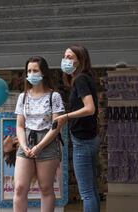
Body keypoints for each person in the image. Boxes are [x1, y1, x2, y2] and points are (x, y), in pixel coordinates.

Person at [13, 56, 65, 212]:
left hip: (47, 142)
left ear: (43, 73)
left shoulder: (53, 96)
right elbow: (20, 125)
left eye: (35, 70)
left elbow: (56, 126)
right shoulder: (23, 97)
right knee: (20, 187)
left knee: (46, 187)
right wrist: (23, 145)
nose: (31, 74)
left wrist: (40, 146)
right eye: (29, 71)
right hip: (26, 141)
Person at [54, 45, 100, 212]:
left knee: (86, 192)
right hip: (90, 138)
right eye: (65, 56)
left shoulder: (80, 79)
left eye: (70, 57)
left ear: (80, 61)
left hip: (83, 141)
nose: (66, 60)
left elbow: (90, 108)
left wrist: (66, 117)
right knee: (92, 189)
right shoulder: (84, 78)